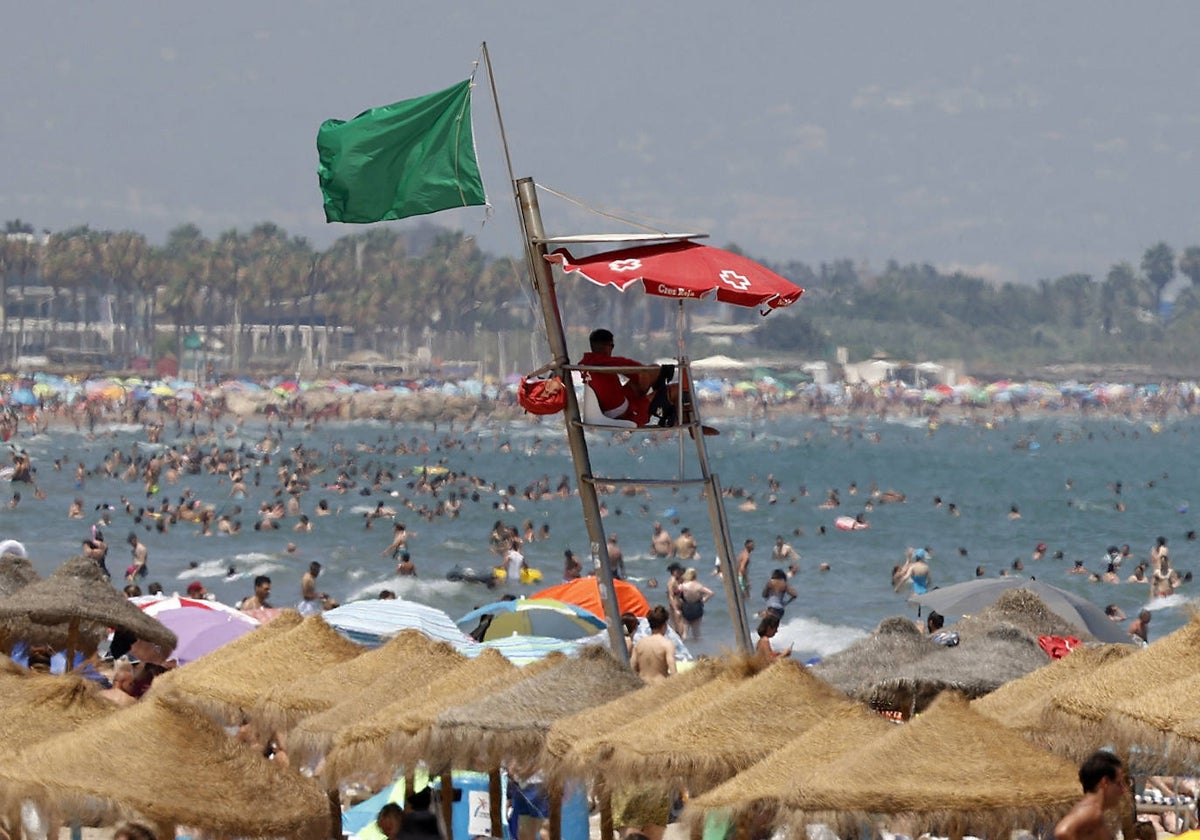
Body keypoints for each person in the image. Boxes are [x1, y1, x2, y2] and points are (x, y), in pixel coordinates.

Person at [1053, 750, 1128, 840]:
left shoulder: (1089, 810)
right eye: (1118, 783)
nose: (1123, 790)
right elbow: (1062, 831)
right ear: (1105, 782)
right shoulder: (1092, 812)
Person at [630, 605, 676, 683]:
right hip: (660, 686)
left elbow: (632, 669)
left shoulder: (639, 644)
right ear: (665, 625)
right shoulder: (667, 644)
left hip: (642, 686)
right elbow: (673, 670)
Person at [675, 568, 713, 640]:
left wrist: (679, 601)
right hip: (697, 607)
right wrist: (704, 600)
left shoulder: (683, 585)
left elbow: (676, 592)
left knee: (685, 632)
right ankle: (698, 649)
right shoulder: (699, 586)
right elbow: (710, 593)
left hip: (686, 607)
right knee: (696, 632)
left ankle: (687, 648)